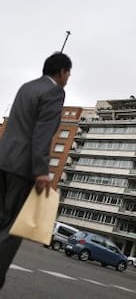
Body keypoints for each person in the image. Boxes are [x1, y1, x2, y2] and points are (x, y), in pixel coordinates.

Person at [0, 52, 72, 289]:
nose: (68, 77)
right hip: (23, 169)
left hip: (3, 160)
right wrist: (42, 170)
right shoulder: (55, 92)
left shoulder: (26, 87)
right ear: (61, 72)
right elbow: (42, 131)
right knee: (12, 229)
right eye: (68, 73)